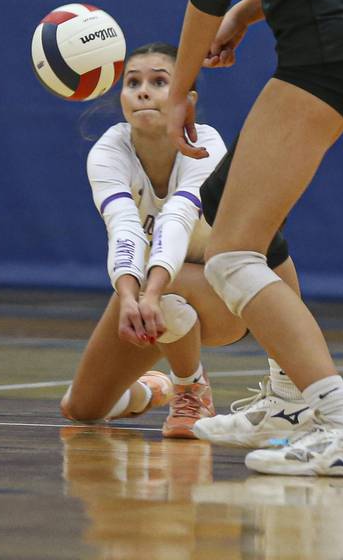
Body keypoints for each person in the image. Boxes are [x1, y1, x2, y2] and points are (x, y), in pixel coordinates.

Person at [165, 0, 343, 475]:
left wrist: (180, 91)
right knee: (231, 202)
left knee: (230, 256)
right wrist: (247, 16)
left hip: (327, 56)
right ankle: (290, 403)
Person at [60, 42, 304, 438]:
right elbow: (121, 226)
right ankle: (157, 387)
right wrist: (128, 298)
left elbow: (175, 221)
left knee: (159, 278)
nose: (143, 91)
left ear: (187, 99)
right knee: (80, 408)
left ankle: (193, 390)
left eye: (159, 81)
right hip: (156, 297)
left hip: (228, 298)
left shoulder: (206, 145)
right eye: (132, 82)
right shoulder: (108, 151)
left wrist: (146, 293)